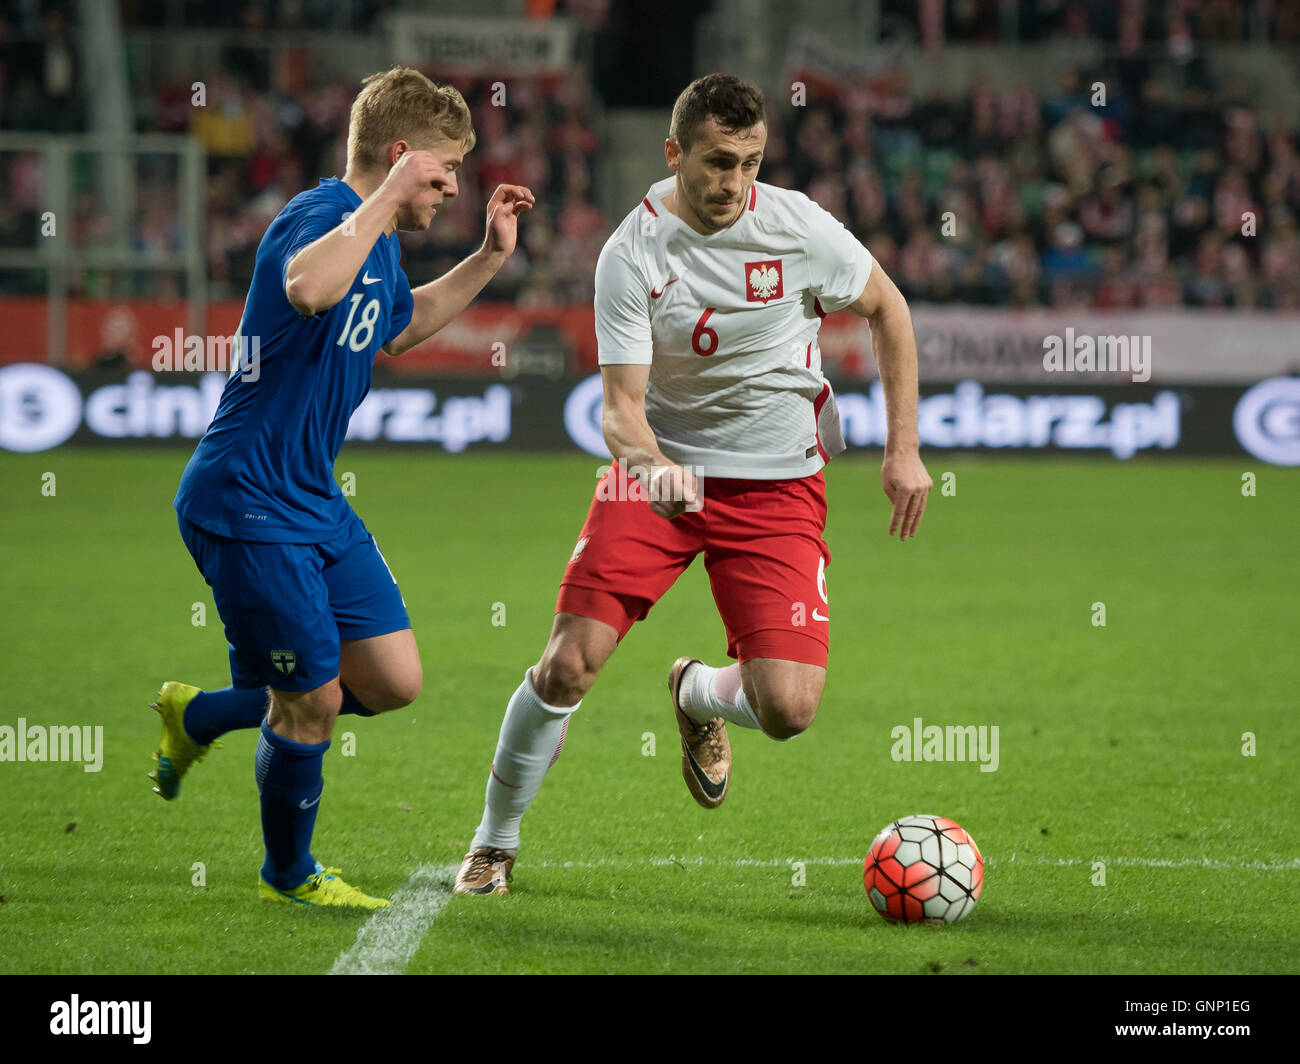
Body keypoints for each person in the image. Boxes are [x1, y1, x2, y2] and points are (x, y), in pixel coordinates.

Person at [452, 73, 931, 896]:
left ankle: (697, 694)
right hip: (658, 478)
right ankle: (494, 842)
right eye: (716, 162)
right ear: (674, 153)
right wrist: (655, 469)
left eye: (749, 162)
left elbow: (888, 307)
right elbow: (618, 411)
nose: (733, 183)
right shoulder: (631, 253)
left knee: (789, 710)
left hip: (778, 486)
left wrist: (904, 450)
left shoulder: (799, 228)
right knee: (567, 664)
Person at [153, 66, 534, 909]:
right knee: (314, 701)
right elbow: (308, 288)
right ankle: (287, 875)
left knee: (392, 680)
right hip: (245, 499)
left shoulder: (381, 241)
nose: (452, 185)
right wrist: (387, 197)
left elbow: (396, 330)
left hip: (312, 499)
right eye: (443, 168)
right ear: (399, 158)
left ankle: (203, 716)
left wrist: (486, 259)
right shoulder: (317, 217)